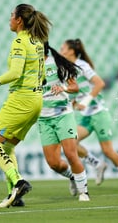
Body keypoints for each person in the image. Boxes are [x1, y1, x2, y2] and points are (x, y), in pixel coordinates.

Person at [0, 4, 51, 208]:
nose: (9, 19)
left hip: (21, 99)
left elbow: (15, 73)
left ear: (19, 20)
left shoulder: (19, 42)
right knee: (7, 146)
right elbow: (42, 77)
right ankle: (15, 196)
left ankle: (19, 182)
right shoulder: (38, 42)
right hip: (36, 100)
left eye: (11, 16)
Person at [60, 39, 118, 191]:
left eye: (63, 48)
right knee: (70, 143)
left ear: (71, 51)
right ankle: (96, 164)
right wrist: (74, 102)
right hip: (85, 116)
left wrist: (86, 101)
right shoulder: (67, 69)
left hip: (98, 113)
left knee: (108, 150)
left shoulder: (82, 65)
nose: (61, 50)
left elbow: (99, 83)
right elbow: (78, 91)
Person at [37, 41, 90, 201]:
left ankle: (84, 192)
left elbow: (75, 87)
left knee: (70, 154)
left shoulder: (57, 63)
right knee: (53, 163)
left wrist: (63, 88)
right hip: (43, 119)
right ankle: (73, 177)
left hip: (62, 115)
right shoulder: (28, 68)